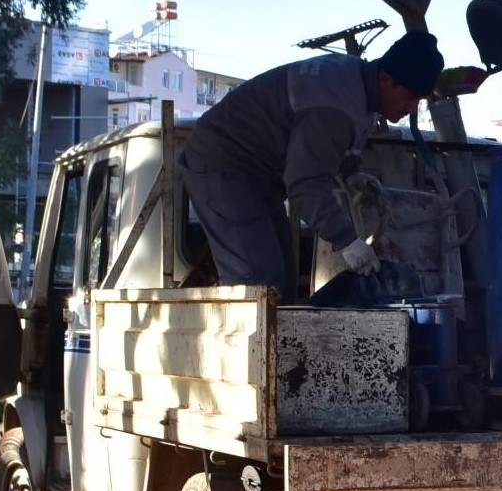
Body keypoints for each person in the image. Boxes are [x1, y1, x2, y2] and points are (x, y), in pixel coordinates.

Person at [177, 31, 445, 296]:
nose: (412, 108)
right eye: (410, 97)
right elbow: (305, 185)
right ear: (387, 79)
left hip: (257, 177)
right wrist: (348, 242)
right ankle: (248, 339)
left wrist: (352, 174)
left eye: (418, 101)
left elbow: (330, 148)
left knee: (281, 283)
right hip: (223, 163)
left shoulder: (361, 91)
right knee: (257, 284)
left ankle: (273, 339)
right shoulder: (335, 103)